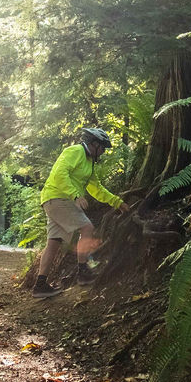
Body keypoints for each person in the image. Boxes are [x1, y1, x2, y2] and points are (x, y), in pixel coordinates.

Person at [32, 127, 131, 299]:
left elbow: (96, 189)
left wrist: (117, 202)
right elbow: (59, 173)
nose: (103, 152)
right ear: (94, 144)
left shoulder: (90, 163)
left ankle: (40, 285)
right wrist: (75, 195)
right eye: (103, 147)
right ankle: (83, 272)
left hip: (54, 200)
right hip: (58, 198)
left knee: (53, 243)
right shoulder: (75, 151)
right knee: (87, 228)